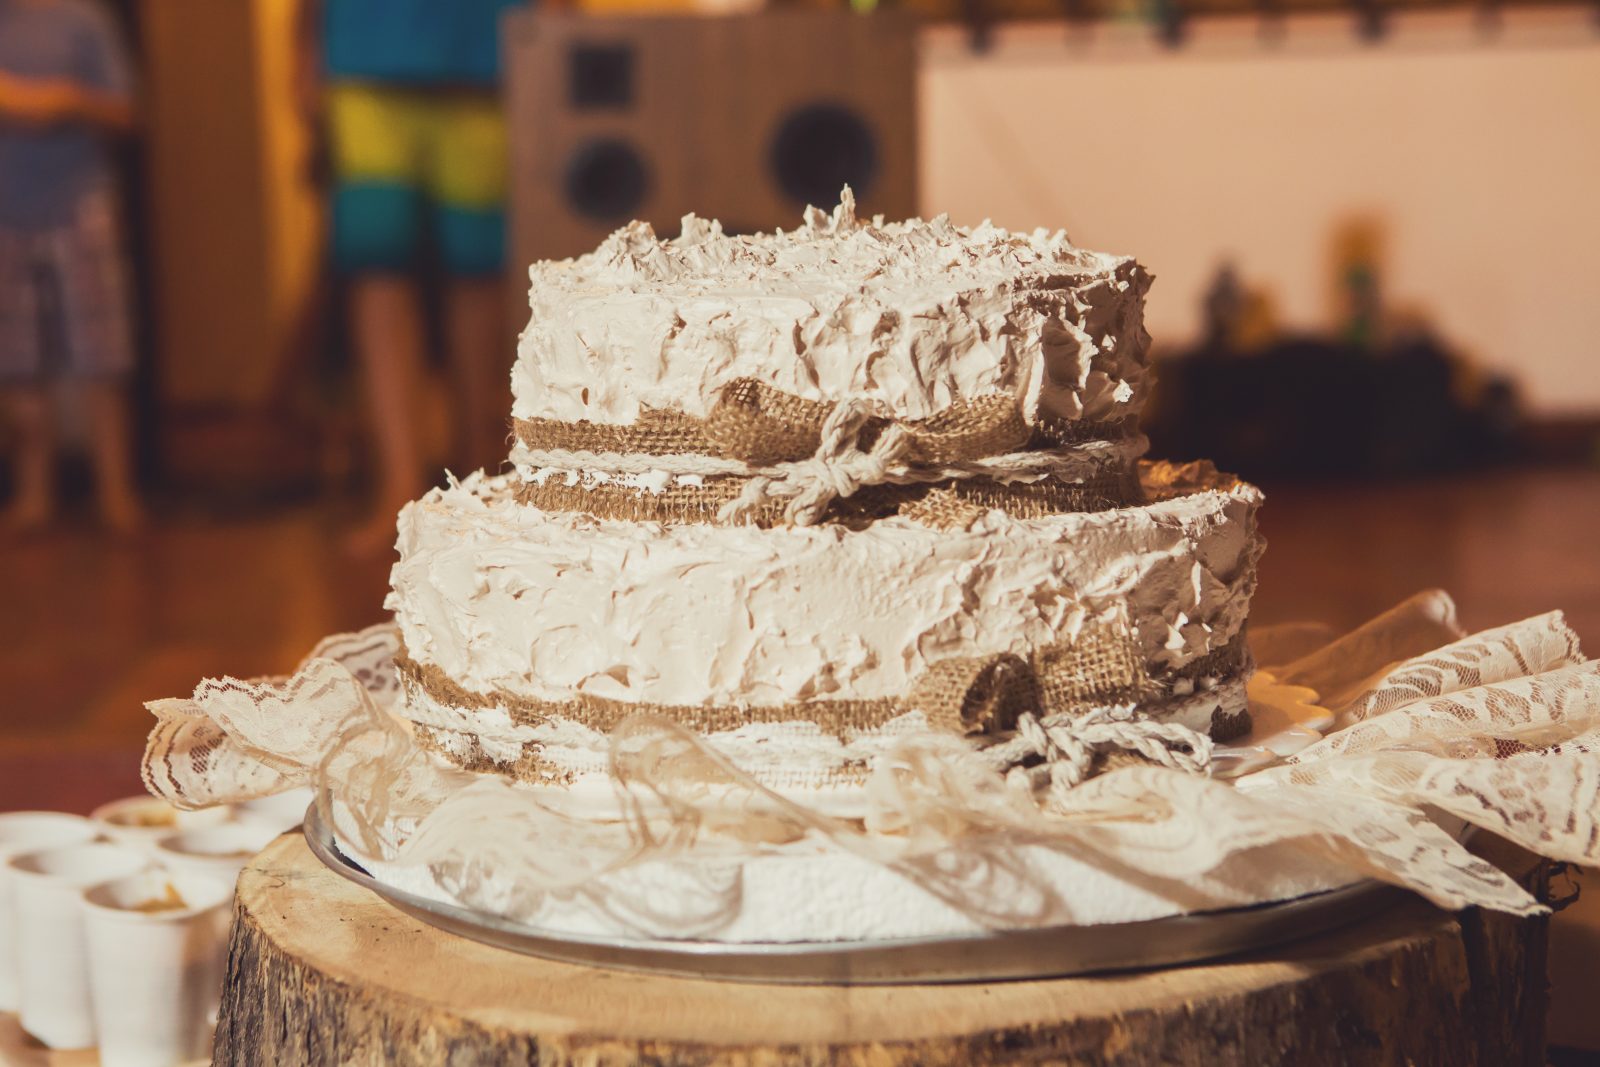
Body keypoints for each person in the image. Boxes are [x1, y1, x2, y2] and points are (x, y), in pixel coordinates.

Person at [296, 0, 523, 555]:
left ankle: (483, 475)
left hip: (487, 63)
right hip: (365, 61)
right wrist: (302, 51)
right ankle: (399, 490)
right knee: (378, 265)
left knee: (482, 270)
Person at [0, 0, 140, 534]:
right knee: (17, 362)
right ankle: (35, 497)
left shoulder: (84, 19)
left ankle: (117, 495)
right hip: (6, 212)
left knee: (101, 351)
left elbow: (127, 111)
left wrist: (63, 100)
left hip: (81, 203)